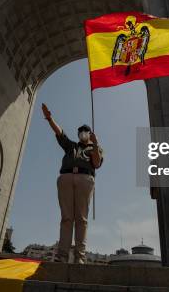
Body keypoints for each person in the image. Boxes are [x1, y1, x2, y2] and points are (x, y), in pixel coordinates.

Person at [41, 103, 103, 264]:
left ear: (90, 134)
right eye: (80, 131)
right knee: (66, 218)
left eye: (85, 131)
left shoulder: (95, 147)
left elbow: (96, 163)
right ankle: (62, 256)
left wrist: (95, 144)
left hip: (85, 179)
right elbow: (60, 133)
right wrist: (49, 119)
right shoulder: (71, 146)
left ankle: (79, 257)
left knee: (81, 219)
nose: (82, 133)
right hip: (66, 178)